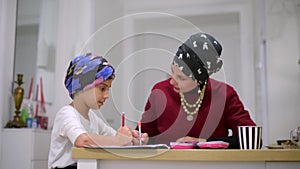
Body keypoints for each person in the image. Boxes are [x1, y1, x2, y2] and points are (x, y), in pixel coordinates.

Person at [139, 32, 256, 149]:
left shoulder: (223, 94)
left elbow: (252, 138)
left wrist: (203, 142)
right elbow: (145, 136)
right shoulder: (160, 91)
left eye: (181, 78)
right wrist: (134, 138)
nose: (172, 82)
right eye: (172, 72)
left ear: (199, 80)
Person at [48, 53, 148, 169]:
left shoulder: (93, 118)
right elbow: (82, 140)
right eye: (102, 88)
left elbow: (114, 137)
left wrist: (132, 140)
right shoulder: (66, 114)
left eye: (108, 90)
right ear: (82, 86)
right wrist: (118, 140)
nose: (107, 96)